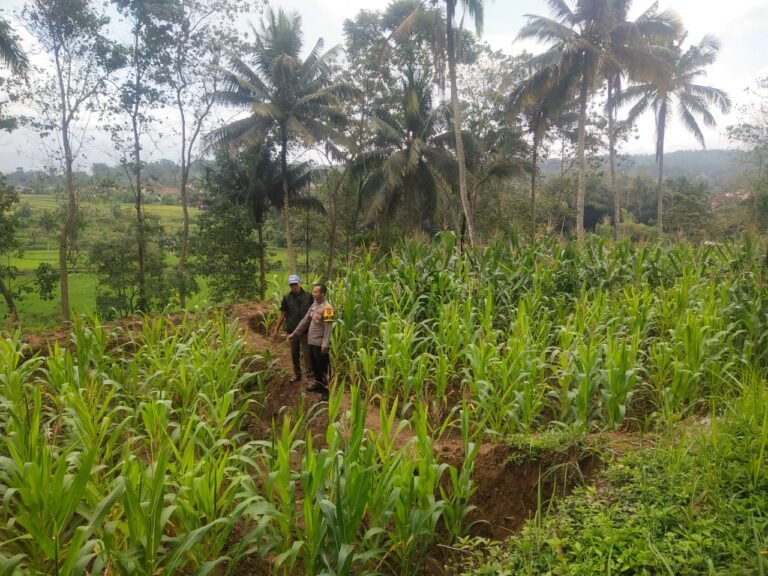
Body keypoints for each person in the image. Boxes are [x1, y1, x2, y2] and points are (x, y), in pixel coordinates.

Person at [288, 283, 333, 401]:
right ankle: (318, 384)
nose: (313, 294)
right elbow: (305, 320)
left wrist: (325, 344)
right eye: (313, 291)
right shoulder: (314, 305)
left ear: (323, 294)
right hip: (311, 342)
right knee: (314, 366)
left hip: (320, 344)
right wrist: (295, 333)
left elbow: (328, 327)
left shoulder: (328, 308)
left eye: (316, 292)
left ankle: (326, 391)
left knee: (323, 367)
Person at [273, 274, 313, 383]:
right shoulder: (287, 297)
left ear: (300, 283)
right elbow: (282, 313)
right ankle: (297, 374)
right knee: (294, 353)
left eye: (295, 284)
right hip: (292, 330)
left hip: (306, 330)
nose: (294, 286)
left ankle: (310, 376)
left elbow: (314, 311)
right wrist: (277, 328)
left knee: (307, 353)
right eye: (291, 285)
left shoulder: (309, 296)